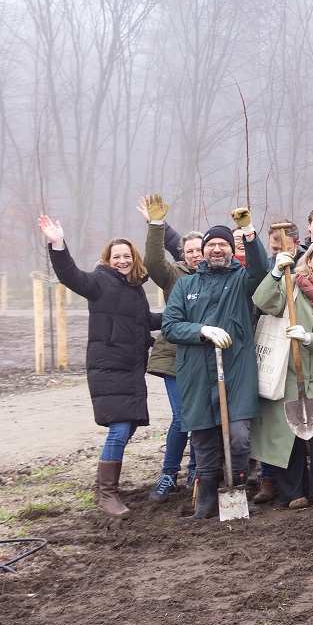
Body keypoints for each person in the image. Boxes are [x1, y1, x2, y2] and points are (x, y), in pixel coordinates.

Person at [38, 215, 160, 518]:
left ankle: (103, 485)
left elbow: (145, 321)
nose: (122, 260)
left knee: (128, 427)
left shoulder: (135, 289)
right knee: (119, 430)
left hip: (131, 369)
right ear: (108, 260)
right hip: (108, 368)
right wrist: (58, 244)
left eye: (126, 256)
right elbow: (71, 276)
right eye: (116, 256)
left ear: (134, 260)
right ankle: (107, 494)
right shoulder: (100, 281)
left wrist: (180, 316)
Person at [161, 213, 269, 520]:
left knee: (238, 437)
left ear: (231, 250)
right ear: (203, 250)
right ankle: (206, 501)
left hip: (236, 370)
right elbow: (170, 326)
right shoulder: (185, 286)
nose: (216, 249)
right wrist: (201, 331)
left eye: (223, 244)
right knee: (204, 438)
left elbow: (260, 269)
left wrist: (249, 232)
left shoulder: (241, 281)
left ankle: (237, 491)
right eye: (211, 245)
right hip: (196, 371)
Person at [250, 240, 313, 509]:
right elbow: (263, 302)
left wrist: (308, 337)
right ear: (309, 261)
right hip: (287, 374)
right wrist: (275, 273)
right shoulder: (291, 284)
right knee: (287, 435)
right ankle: (292, 492)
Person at [136, 195, 200, 502]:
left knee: (204, 415)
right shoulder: (174, 275)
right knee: (182, 417)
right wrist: (156, 225)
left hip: (208, 358)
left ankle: (198, 470)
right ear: (183, 255)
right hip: (175, 358)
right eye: (190, 251)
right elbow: (152, 262)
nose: (196, 255)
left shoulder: (223, 276)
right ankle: (168, 473)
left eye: (200, 249)